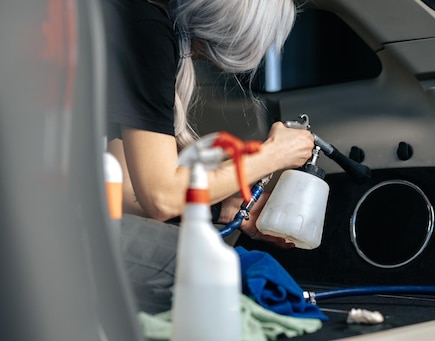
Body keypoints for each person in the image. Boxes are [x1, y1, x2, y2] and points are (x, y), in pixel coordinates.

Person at [102, 0, 314, 312]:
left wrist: (224, 205)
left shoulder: (138, 22)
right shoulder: (146, 30)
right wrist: (273, 154)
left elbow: (125, 191)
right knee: (226, 271)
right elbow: (161, 198)